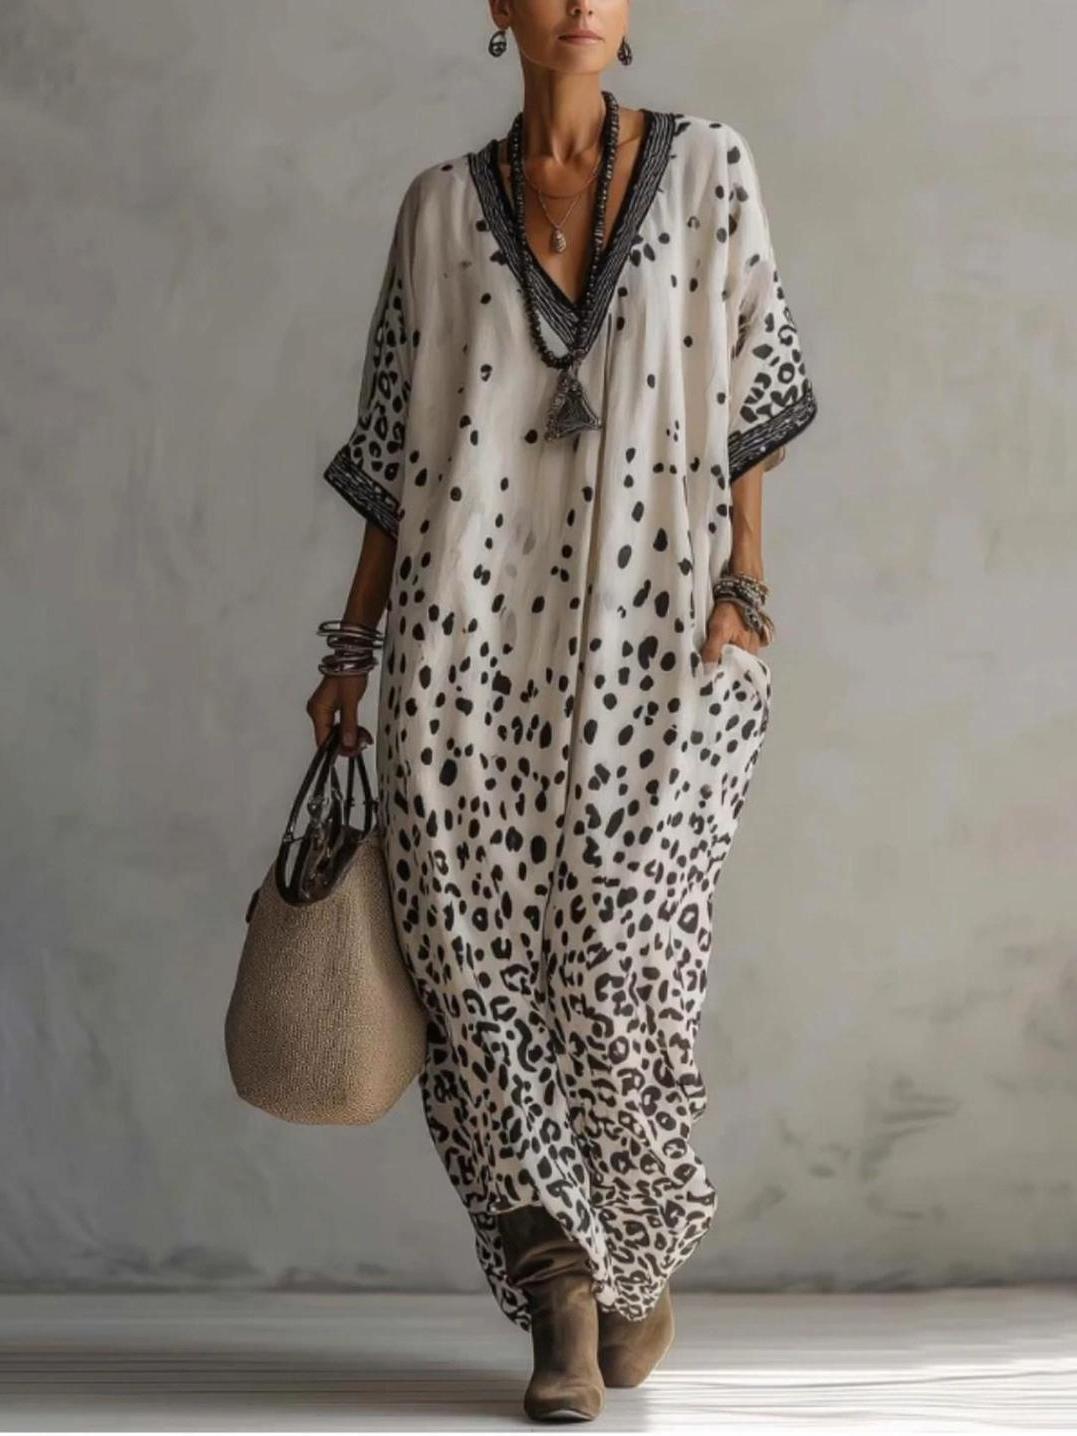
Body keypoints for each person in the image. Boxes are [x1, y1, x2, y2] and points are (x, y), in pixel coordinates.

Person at [307, 0, 818, 1421]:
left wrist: (746, 587)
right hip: (460, 653)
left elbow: (756, 382)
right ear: (499, 8)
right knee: (471, 977)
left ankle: (635, 1248)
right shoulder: (436, 210)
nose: (584, 0)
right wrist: (352, 652)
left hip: (657, 637)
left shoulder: (708, 168)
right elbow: (391, 452)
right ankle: (557, 1290)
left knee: (619, 970)